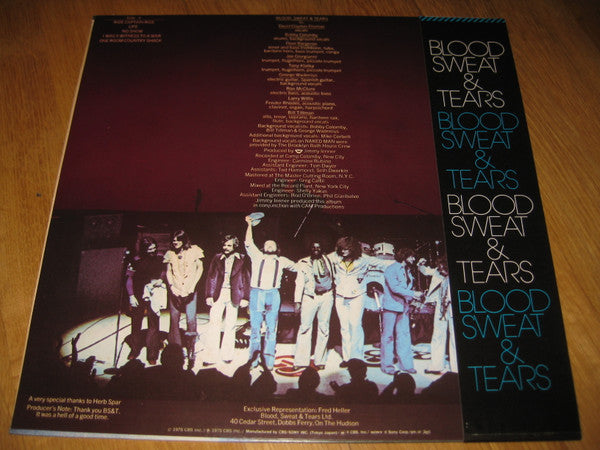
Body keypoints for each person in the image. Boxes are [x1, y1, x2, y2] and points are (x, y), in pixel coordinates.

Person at [244, 215, 296, 370]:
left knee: (271, 328)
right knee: (255, 328)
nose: (269, 245)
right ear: (263, 247)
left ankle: (268, 360)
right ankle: (253, 359)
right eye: (267, 244)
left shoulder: (282, 260)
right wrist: (249, 225)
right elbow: (248, 242)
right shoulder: (256, 256)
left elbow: (299, 267)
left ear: (277, 248)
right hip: (257, 293)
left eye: (272, 244)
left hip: (273, 295)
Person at [328, 236, 389, 367]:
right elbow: (321, 260)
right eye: (341, 248)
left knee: (355, 325)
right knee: (344, 327)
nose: (343, 251)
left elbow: (383, 263)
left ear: (353, 249)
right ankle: (347, 358)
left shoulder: (363, 259)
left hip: (357, 296)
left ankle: (357, 358)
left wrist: (402, 262)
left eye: (346, 249)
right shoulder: (334, 257)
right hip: (340, 296)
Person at [203, 234, 250, 366]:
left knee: (230, 324)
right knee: (214, 323)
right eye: (224, 245)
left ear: (235, 246)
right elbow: (211, 277)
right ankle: (210, 356)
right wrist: (209, 295)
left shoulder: (242, 258)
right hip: (219, 293)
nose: (226, 248)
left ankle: (227, 355)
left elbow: (246, 278)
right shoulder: (217, 258)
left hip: (235, 294)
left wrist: (245, 297)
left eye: (229, 245)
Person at [164, 230, 204, 370]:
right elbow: (168, 271)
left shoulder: (195, 250)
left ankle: (191, 350)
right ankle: (175, 352)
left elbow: (200, 269)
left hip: (190, 290)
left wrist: (192, 286)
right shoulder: (170, 253)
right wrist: (171, 287)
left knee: (190, 319)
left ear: (184, 240)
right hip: (175, 290)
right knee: (174, 319)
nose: (175, 242)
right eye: (173, 240)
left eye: (178, 239)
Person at [380, 248, 423, 375]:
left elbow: (405, 288)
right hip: (391, 306)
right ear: (404, 256)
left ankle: (406, 365)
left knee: (404, 335)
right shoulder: (391, 269)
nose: (413, 259)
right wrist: (413, 294)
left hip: (403, 306)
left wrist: (411, 299)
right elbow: (394, 288)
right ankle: (387, 366)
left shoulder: (408, 270)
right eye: (411, 256)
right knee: (388, 336)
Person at [293, 241, 335, 370]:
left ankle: (320, 360)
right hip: (310, 297)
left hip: (327, 296)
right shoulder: (303, 263)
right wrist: (297, 301)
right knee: (305, 328)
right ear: (310, 249)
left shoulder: (329, 260)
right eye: (313, 247)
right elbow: (299, 283)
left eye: (318, 247)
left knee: (324, 328)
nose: (316, 249)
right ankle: (301, 361)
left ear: (322, 249)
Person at [125, 237, 166, 365]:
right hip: (138, 293)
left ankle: (152, 353)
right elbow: (129, 278)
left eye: (154, 248)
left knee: (153, 322)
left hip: (154, 293)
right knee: (136, 321)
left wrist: (161, 279)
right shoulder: (136, 260)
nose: (153, 251)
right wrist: (131, 296)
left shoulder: (160, 258)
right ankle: (134, 349)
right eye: (150, 249)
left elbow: (164, 271)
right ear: (144, 249)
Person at [418, 257, 457, 374]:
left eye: (442, 268)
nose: (440, 270)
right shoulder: (438, 272)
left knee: (454, 337)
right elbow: (425, 271)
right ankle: (436, 365)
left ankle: (455, 368)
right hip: (441, 307)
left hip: (452, 307)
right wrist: (420, 264)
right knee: (437, 335)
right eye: (439, 268)